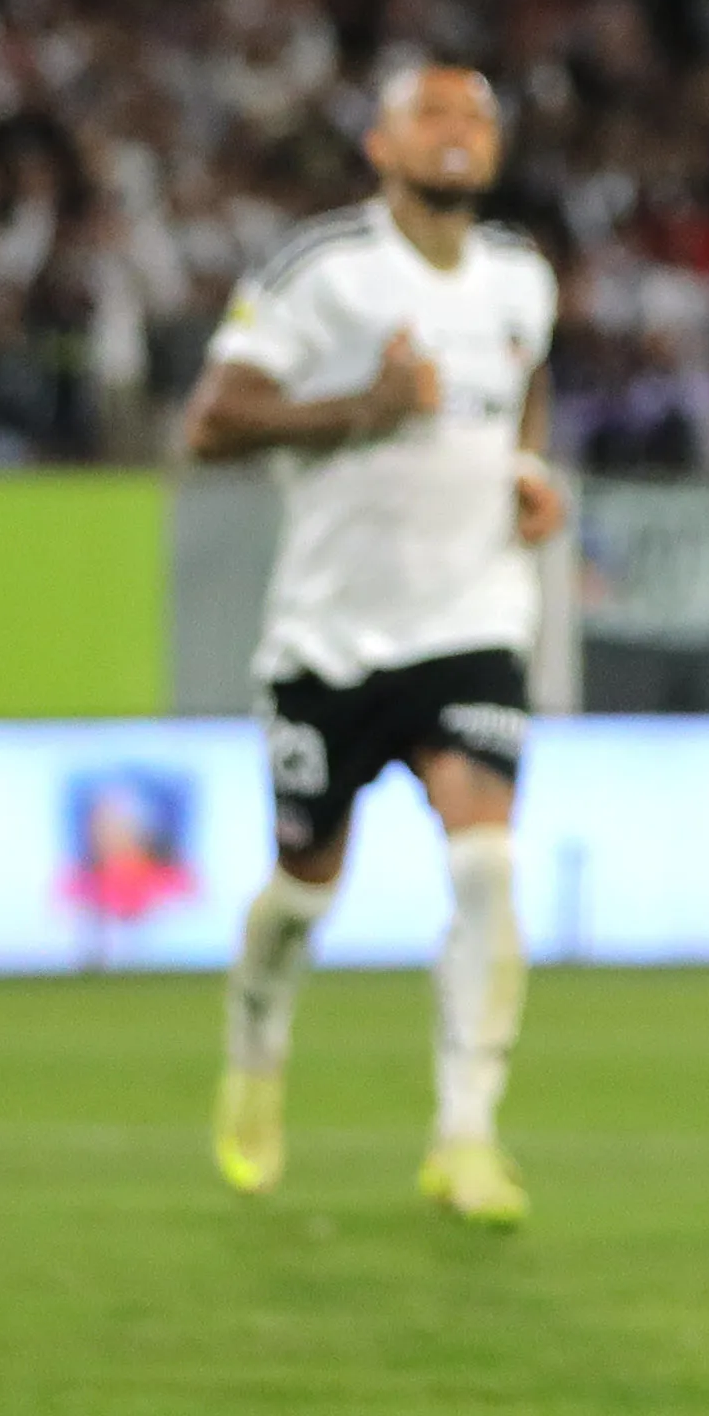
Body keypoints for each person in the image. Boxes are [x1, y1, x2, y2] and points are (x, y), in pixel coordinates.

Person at [177, 63, 565, 1226]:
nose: (458, 133)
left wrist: (531, 473)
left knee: (486, 863)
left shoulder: (522, 274)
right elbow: (211, 424)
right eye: (431, 114)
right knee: (304, 889)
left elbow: (527, 387)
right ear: (379, 144)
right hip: (332, 639)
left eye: (477, 116)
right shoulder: (322, 271)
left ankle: (467, 1133)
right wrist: (363, 407)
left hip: (472, 620)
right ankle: (255, 1051)